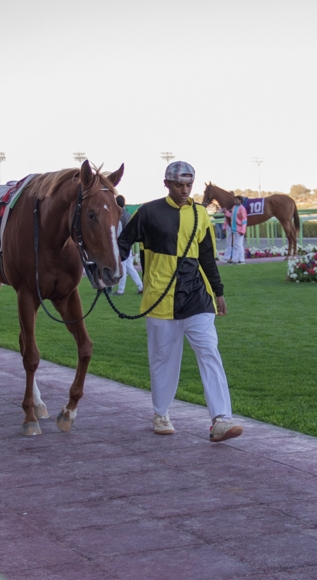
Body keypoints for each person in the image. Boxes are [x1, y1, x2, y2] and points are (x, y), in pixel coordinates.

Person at [117, 161, 243, 442]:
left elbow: (207, 257)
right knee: (163, 360)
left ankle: (221, 419)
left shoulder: (200, 215)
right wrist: (106, 268)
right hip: (159, 301)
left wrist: (218, 293)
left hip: (197, 298)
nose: (185, 190)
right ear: (166, 184)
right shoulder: (148, 212)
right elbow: (122, 243)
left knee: (209, 351)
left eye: (189, 185)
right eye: (178, 185)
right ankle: (161, 413)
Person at [114, 195, 144, 296]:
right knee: (130, 267)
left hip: (121, 244)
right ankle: (141, 286)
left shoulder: (118, 216)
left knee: (123, 267)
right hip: (129, 244)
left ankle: (121, 290)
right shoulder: (128, 215)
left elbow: (117, 233)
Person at [222, 195, 248, 263]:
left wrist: (243, 230)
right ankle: (235, 259)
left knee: (239, 245)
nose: (235, 201)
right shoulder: (234, 207)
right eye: (234, 200)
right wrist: (226, 212)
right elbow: (232, 216)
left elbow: (244, 220)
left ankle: (242, 260)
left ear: (240, 201)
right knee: (235, 245)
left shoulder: (242, 209)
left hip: (239, 229)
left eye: (236, 200)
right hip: (234, 229)